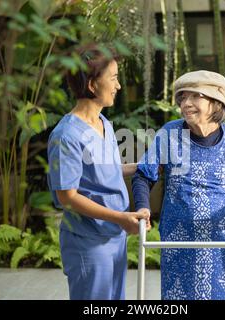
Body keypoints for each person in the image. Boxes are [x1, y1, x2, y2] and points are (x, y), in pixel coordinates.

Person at [132, 70, 225, 300]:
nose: (186, 103)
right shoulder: (170, 134)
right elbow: (143, 175)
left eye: (195, 96)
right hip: (180, 245)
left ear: (216, 102)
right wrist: (142, 207)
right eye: (182, 98)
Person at [47, 44, 150, 300]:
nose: (118, 86)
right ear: (92, 85)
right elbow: (67, 196)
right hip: (89, 243)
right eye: (113, 79)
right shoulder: (67, 135)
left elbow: (108, 171)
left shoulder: (102, 123)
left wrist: (142, 166)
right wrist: (120, 217)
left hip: (114, 238)